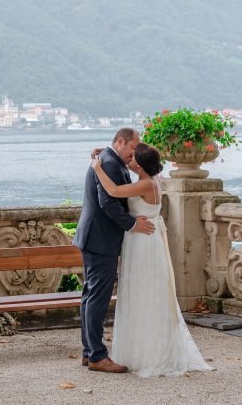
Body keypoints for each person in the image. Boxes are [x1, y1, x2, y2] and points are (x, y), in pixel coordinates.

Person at [91, 142, 213, 378]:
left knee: (143, 293)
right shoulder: (155, 180)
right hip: (149, 237)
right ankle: (150, 348)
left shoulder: (146, 183)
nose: (129, 159)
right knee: (150, 293)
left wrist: (97, 168)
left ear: (140, 164)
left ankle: (147, 352)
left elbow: (114, 192)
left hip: (142, 241)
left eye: (133, 157)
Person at [72, 127, 154, 374]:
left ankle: (90, 352)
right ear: (120, 141)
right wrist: (132, 224)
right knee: (97, 297)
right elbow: (107, 201)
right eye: (132, 147)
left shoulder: (108, 159)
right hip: (100, 239)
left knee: (90, 296)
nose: (134, 152)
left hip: (95, 238)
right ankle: (97, 356)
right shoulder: (108, 162)